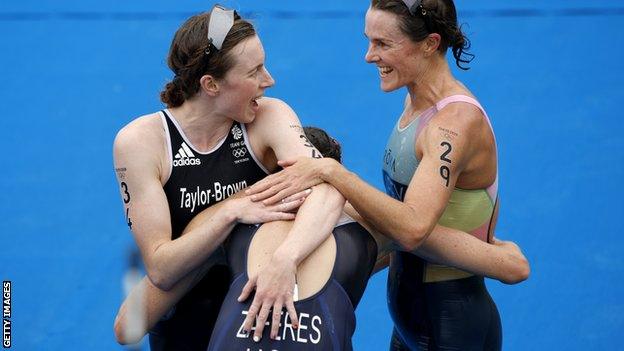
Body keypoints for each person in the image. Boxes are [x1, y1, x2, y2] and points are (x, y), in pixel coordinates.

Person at [245, 0, 530, 349]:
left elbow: (411, 229)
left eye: (383, 44)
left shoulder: (452, 126)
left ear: (430, 44)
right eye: (369, 40)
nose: (369, 56)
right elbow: (406, 225)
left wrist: (333, 174)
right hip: (412, 318)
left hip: (453, 323)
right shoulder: (417, 102)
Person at [115, 127, 529, 349]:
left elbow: (128, 327)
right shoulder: (374, 229)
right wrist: (500, 250)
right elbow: (512, 268)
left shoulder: (231, 226)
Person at [112, 6, 346, 349]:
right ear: (211, 84)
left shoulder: (269, 115)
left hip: (260, 316)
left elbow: (329, 189)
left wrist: (286, 259)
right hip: (184, 325)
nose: (269, 80)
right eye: (255, 71)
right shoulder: (142, 142)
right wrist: (231, 213)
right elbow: (161, 268)